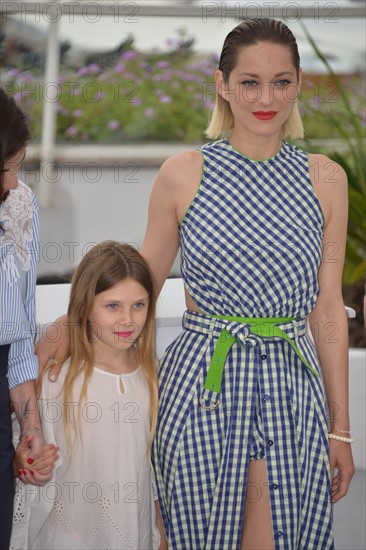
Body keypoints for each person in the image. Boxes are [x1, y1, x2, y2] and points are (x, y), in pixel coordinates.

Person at [36, 18, 355, 550]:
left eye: (281, 81)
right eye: (249, 82)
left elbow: (326, 310)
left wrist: (340, 429)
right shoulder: (184, 173)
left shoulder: (326, 179)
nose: (265, 97)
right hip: (204, 386)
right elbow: (143, 283)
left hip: (292, 390)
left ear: (299, 83)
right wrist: (71, 326)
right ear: (223, 85)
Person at [11, 241, 166, 549]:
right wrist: (26, 464)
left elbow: (156, 475)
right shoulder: (57, 380)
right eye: (112, 306)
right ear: (84, 306)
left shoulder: (154, 377)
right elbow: (24, 452)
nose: (128, 320)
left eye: (139, 305)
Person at [0, 88, 57, 550]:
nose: (14, 182)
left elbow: (19, 340)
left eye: (17, 166)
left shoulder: (19, 208)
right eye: (5, 169)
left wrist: (30, 429)